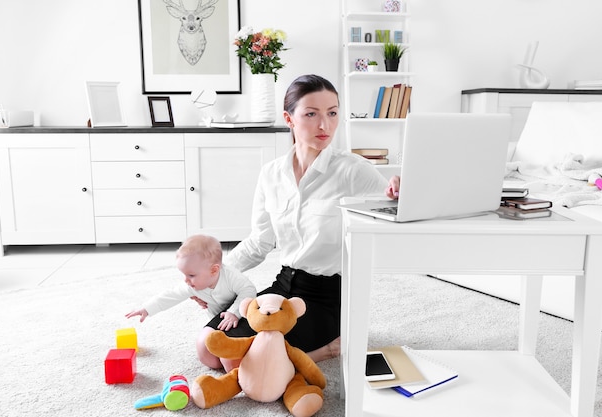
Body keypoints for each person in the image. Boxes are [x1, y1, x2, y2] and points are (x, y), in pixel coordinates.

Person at [191, 74, 400, 364]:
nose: (324, 125)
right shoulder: (271, 174)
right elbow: (259, 242)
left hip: (327, 295)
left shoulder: (353, 170)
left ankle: (326, 350)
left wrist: (399, 190)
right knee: (208, 348)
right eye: (311, 114)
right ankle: (299, 356)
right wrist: (212, 277)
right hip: (284, 286)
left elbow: (397, 206)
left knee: (238, 361)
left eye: (332, 113)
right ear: (289, 119)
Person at [125, 234, 256, 370]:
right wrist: (146, 308)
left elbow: (249, 290)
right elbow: (171, 295)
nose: (186, 280)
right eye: (184, 275)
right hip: (220, 320)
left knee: (235, 352)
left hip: (241, 316)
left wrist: (234, 313)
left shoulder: (230, 276)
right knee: (209, 358)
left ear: (214, 270)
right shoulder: (191, 285)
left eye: (191, 275)